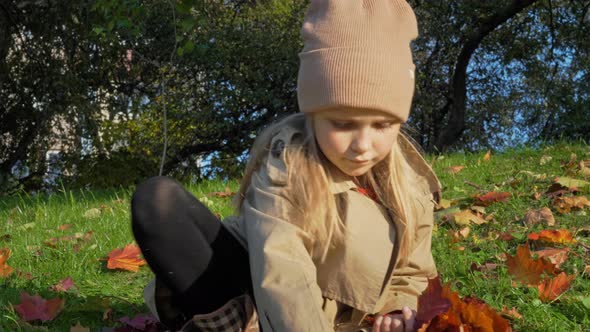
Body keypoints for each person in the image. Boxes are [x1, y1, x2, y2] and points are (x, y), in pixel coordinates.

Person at [131, 0, 442, 331]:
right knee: (158, 200)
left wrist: (398, 306)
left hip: (328, 316)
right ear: (312, 113)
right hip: (257, 293)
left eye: (381, 126)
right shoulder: (288, 164)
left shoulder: (410, 186)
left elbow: (411, 269)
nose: (362, 145)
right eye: (342, 124)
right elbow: (284, 273)